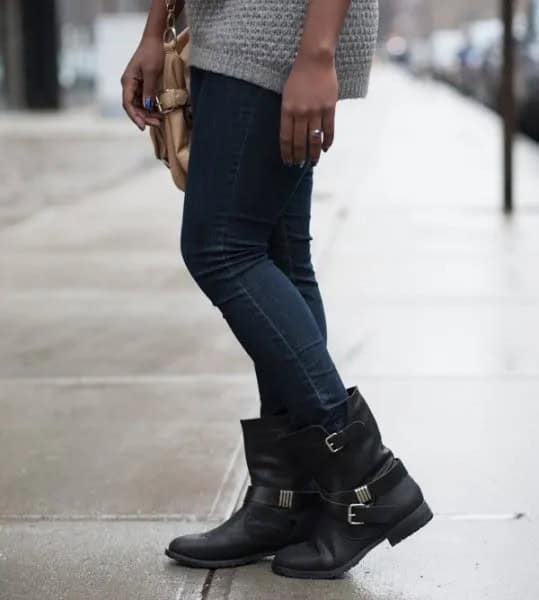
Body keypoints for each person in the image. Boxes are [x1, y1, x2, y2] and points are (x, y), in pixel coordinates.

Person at [122, 0, 431, 580]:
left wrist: (316, 53)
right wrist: (154, 26)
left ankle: (369, 481)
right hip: (222, 29)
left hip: (277, 30)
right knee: (280, 256)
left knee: (221, 249)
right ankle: (286, 498)